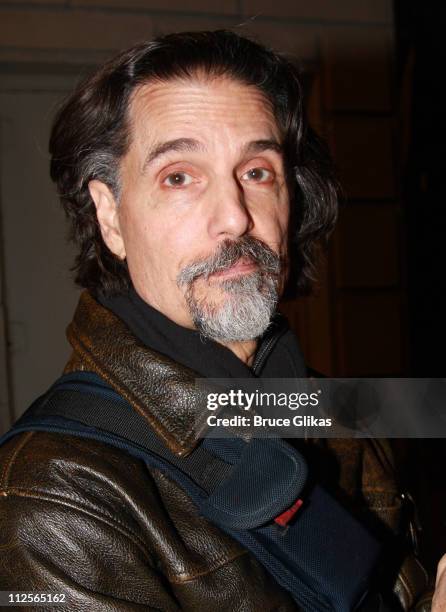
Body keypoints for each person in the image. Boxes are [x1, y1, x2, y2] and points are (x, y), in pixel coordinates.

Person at [0, 30, 443, 611]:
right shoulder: (51, 499)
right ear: (110, 216)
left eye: (257, 172)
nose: (235, 216)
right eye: (179, 177)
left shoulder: (326, 403)